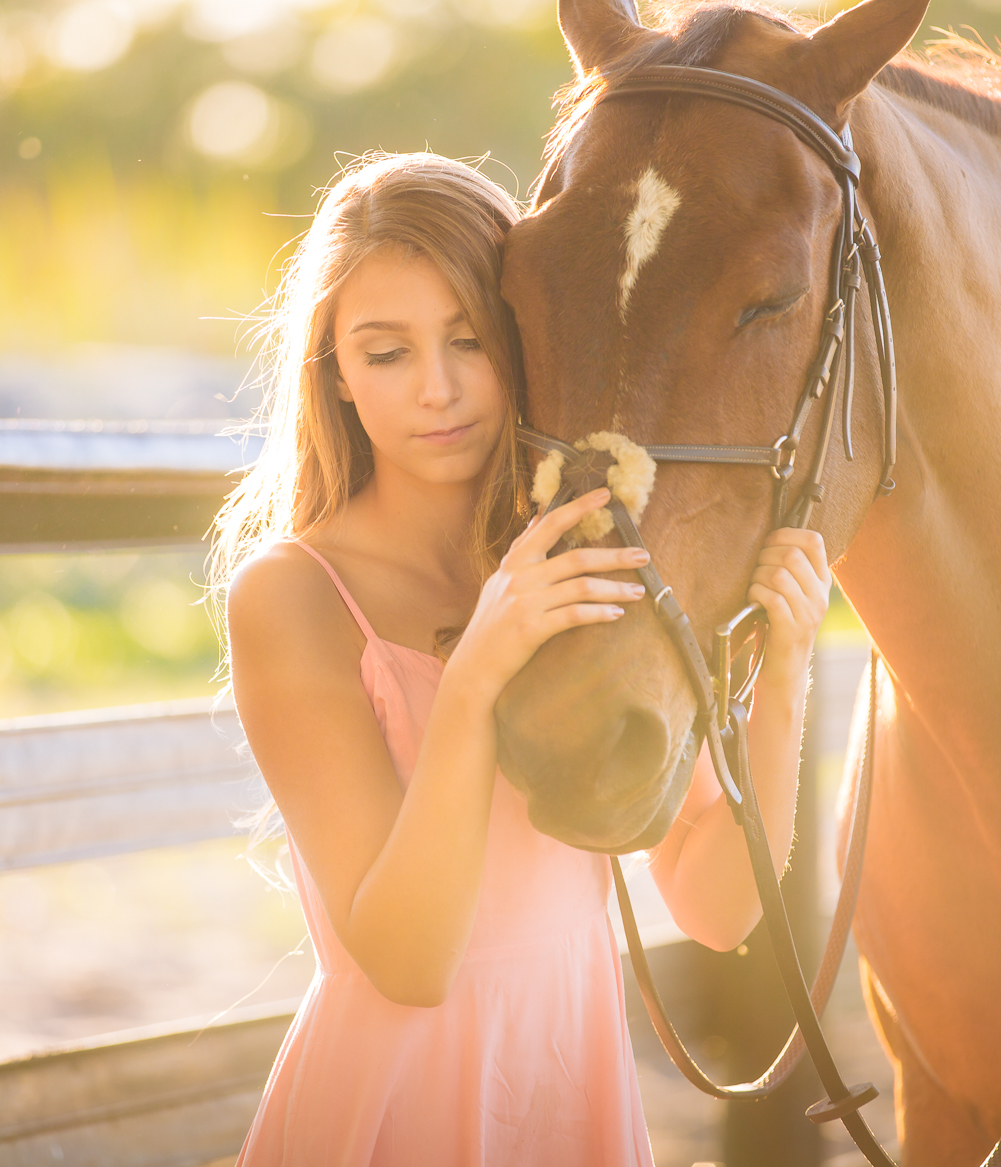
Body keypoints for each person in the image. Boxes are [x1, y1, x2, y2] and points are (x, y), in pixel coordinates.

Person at [210, 152, 831, 1166]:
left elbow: (716, 909)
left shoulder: (586, 558)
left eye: (469, 339)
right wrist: (473, 685)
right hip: (395, 1105)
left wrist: (787, 675)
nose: (439, 390)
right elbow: (407, 963)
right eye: (386, 353)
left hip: (568, 1085)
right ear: (334, 373)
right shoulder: (292, 598)